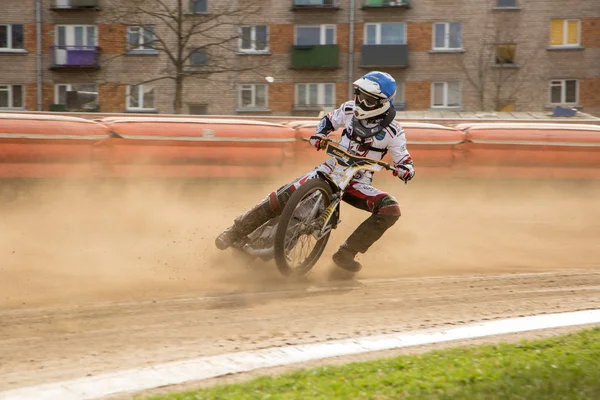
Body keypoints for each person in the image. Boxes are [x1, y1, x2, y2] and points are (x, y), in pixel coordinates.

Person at [215, 71, 414, 276]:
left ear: (382, 103)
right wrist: (320, 134)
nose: (360, 102)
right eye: (359, 95)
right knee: (285, 194)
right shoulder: (348, 109)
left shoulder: (394, 131)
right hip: (329, 170)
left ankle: (346, 253)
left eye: (368, 99)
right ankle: (235, 232)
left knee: (391, 209)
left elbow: (403, 158)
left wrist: (406, 169)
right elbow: (328, 120)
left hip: (358, 182)